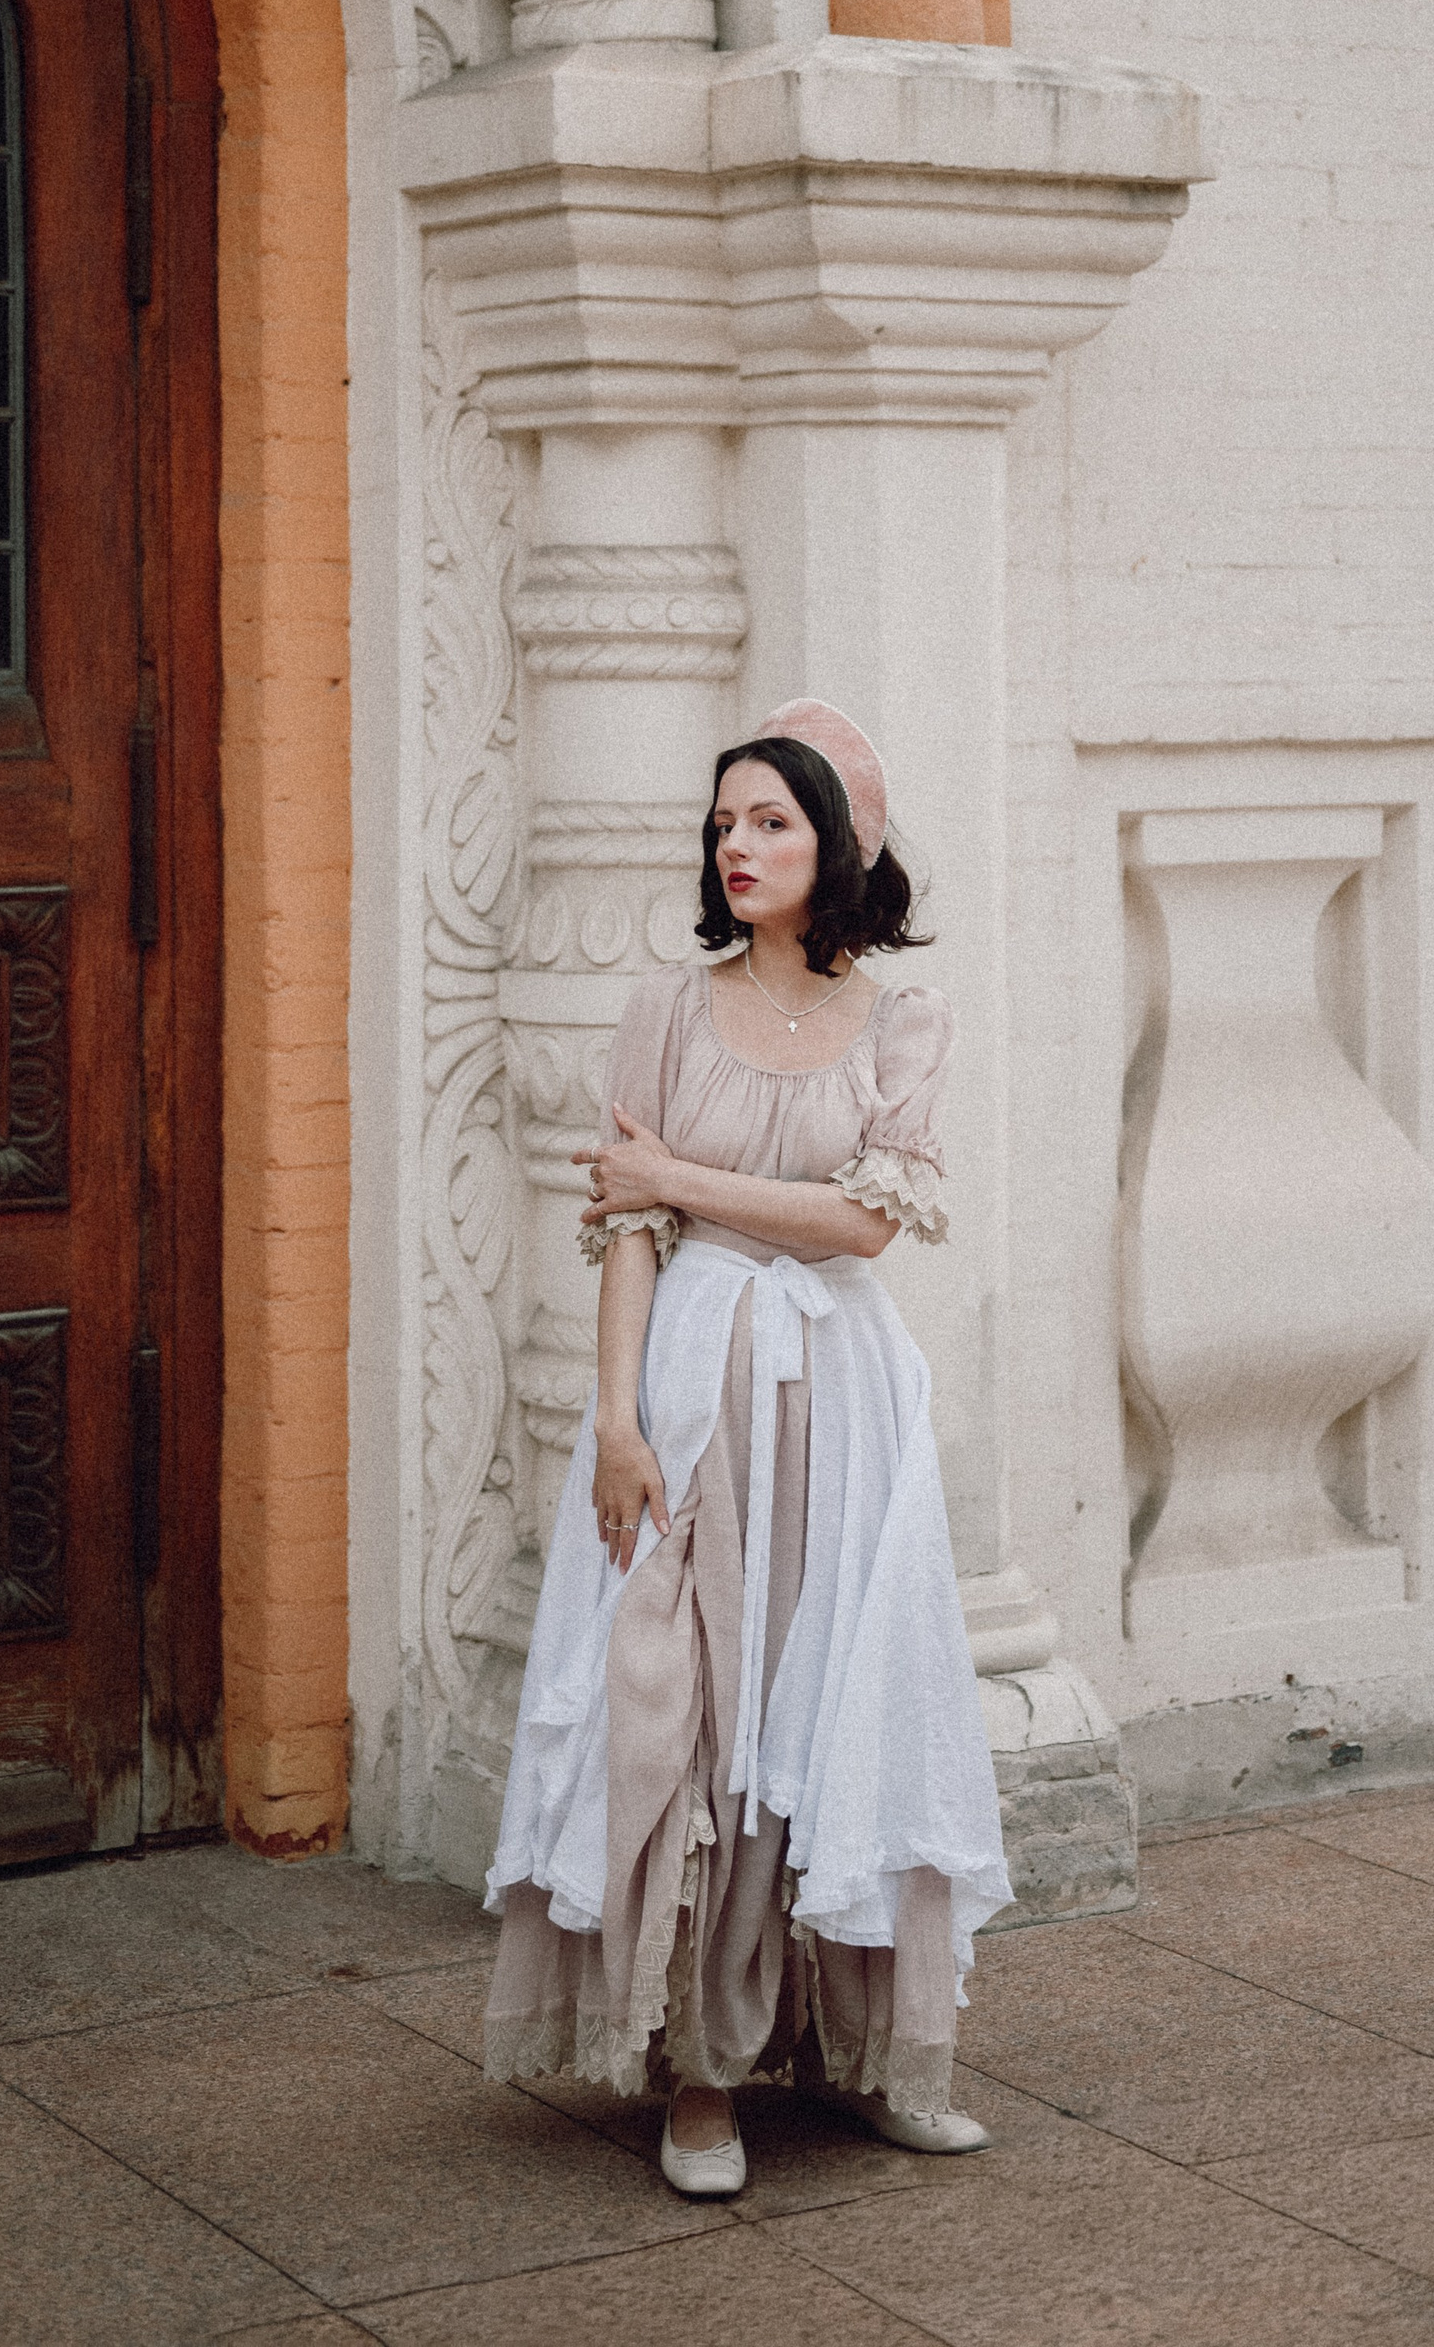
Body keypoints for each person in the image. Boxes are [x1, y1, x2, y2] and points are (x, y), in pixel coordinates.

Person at [482, 699, 1012, 2197]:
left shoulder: (908, 1021)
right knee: (692, 1710)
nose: (738, 846)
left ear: (838, 847)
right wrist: (616, 1420)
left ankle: (871, 2057)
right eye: (723, 824)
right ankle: (700, 2080)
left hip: (841, 1396)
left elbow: (862, 1221)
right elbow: (633, 1226)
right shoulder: (665, 1006)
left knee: (845, 1701)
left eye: (770, 820)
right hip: (696, 1383)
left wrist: (677, 1169)